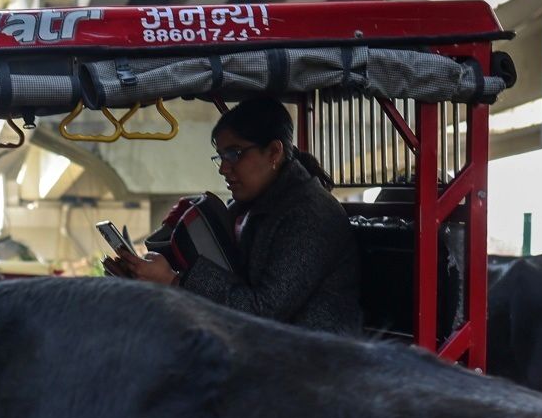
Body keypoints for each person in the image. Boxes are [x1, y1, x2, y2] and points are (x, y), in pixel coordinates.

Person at [105, 96, 361, 336]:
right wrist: (146, 279)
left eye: (234, 154)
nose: (224, 169)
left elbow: (264, 311)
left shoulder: (309, 215)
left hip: (315, 363)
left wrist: (173, 282)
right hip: (260, 351)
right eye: (221, 157)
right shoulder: (247, 207)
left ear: (273, 152)